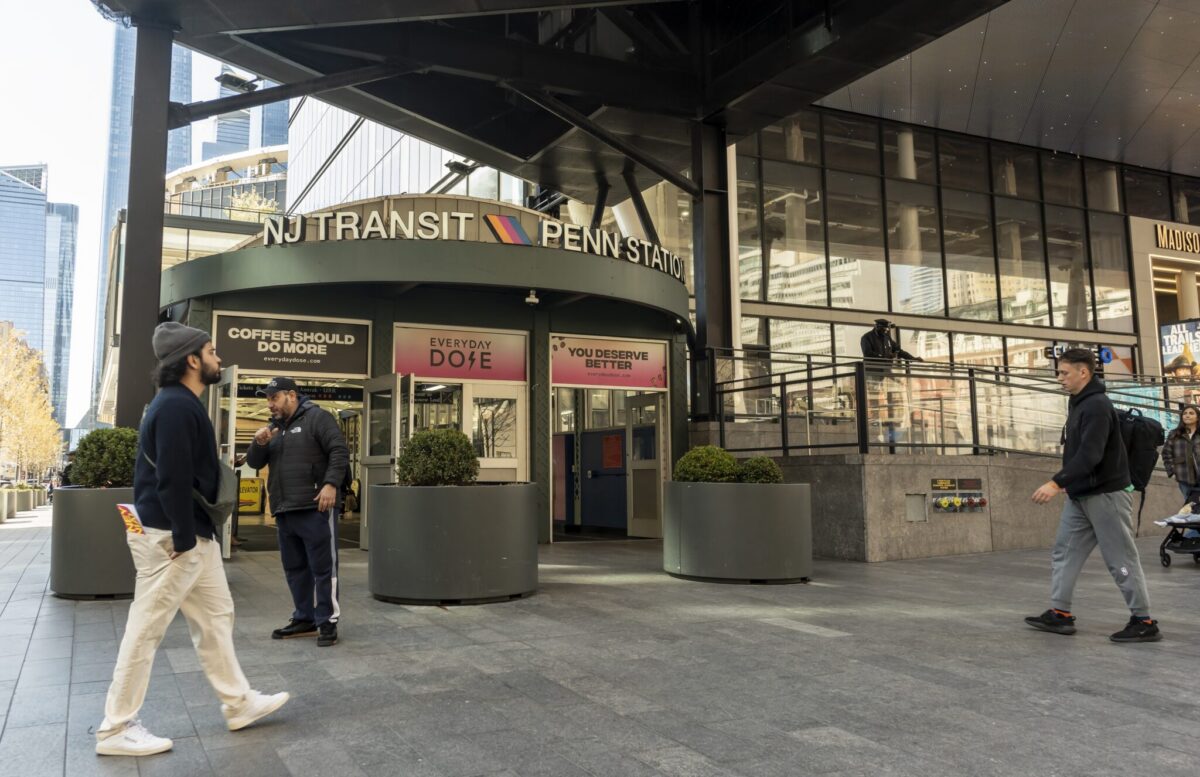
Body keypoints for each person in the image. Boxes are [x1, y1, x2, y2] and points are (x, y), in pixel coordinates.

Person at [96, 323, 289, 757]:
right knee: (146, 629)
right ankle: (116, 728)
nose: (218, 359)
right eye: (212, 351)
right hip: (173, 537)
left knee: (216, 616)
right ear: (191, 360)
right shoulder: (176, 407)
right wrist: (184, 536)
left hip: (191, 536)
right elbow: (172, 477)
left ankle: (238, 703)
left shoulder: (180, 404)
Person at [1025, 348, 1162, 643]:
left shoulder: (1097, 405)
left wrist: (1055, 483)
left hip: (1107, 494)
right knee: (1065, 551)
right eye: (1058, 372)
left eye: (1064, 372)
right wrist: (1069, 484)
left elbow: (1090, 454)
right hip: (1081, 494)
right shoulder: (1079, 403)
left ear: (1083, 372)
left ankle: (1144, 620)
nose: (1059, 378)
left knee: (1120, 557)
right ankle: (1060, 614)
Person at [246, 376, 349, 647]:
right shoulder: (274, 429)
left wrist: (330, 484)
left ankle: (327, 620)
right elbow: (256, 462)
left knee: (323, 567)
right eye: (267, 399)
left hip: (315, 505)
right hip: (284, 508)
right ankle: (304, 617)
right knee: (295, 567)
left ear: (291, 395)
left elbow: (339, 451)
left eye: (274, 397)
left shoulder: (318, 418)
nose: (269, 404)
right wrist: (258, 443)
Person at [1162, 403, 1200, 544]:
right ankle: (1193, 539)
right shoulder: (1175, 434)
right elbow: (1166, 453)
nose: (1188, 415)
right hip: (1184, 478)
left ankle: (1191, 537)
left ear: (1197, 417)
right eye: (1185, 413)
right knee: (1191, 509)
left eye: (1191, 413)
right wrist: (1172, 471)